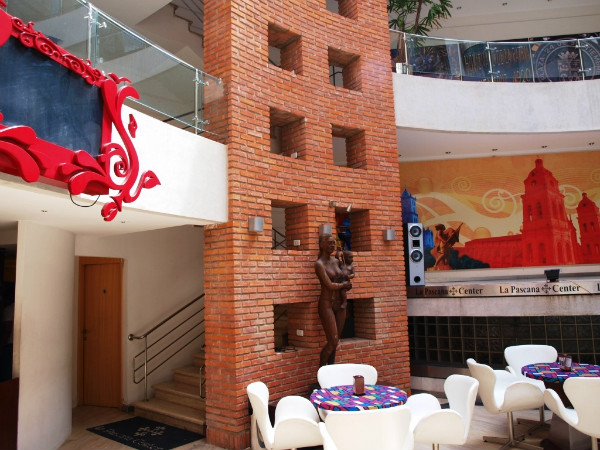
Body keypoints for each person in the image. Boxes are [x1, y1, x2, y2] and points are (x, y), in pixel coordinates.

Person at [315, 233, 352, 367]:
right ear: (322, 244)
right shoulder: (319, 264)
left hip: (340, 304)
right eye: (329, 243)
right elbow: (329, 285)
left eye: (333, 243)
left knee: (336, 342)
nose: (332, 246)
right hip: (327, 304)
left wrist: (347, 284)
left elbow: (344, 277)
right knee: (333, 340)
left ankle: (331, 370)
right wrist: (343, 285)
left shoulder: (336, 262)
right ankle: (321, 372)